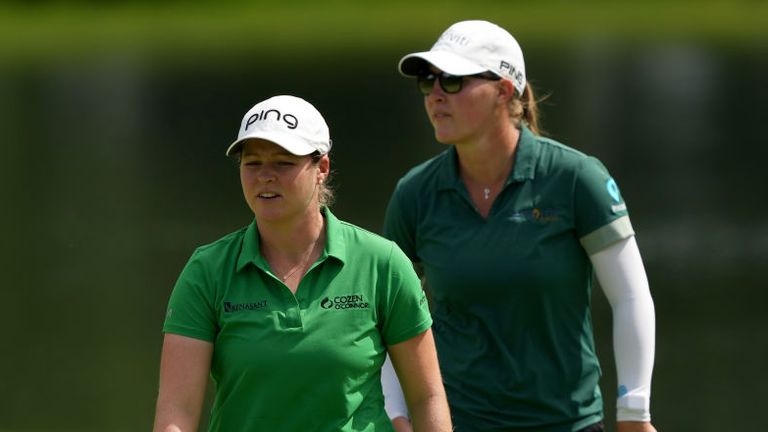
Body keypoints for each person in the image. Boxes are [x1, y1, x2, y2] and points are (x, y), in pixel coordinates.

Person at [380, 20, 658, 432]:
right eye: (428, 81)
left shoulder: (577, 178)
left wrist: (634, 411)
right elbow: (390, 316)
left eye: (453, 81)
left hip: (568, 424)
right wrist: (396, 413)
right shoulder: (415, 194)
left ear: (504, 90)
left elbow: (631, 296)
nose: (436, 95)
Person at [152, 95, 452, 432]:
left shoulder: (382, 263)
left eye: (283, 163)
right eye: (252, 163)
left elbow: (427, 396)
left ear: (321, 168)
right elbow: (176, 413)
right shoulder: (207, 271)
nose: (265, 176)